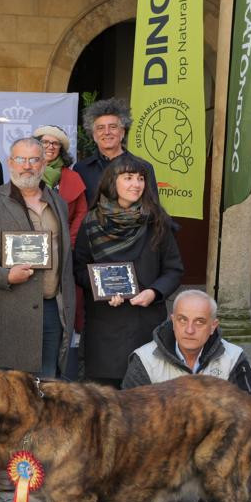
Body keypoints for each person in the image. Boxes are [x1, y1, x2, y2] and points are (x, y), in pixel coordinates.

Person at [122, 289, 251, 502]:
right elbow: (128, 422)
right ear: (172, 321)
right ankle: (165, 494)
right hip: (162, 451)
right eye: (183, 320)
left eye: (199, 322)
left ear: (213, 326)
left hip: (215, 448)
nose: (189, 329)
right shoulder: (145, 358)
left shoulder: (232, 357)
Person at [0, 137, 75, 379]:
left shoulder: (58, 203)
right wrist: (4, 275)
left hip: (51, 310)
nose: (27, 166)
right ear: (10, 163)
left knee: (45, 387)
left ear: (43, 163)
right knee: (5, 393)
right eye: (21, 159)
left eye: (34, 160)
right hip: (7, 312)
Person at [74, 152, 183, 387]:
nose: (136, 184)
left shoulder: (157, 221)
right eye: (129, 178)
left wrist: (154, 292)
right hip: (105, 326)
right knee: (106, 403)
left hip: (146, 322)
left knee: (145, 400)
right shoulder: (91, 222)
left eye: (141, 178)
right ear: (112, 181)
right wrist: (99, 288)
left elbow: (174, 269)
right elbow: (79, 268)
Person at [74, 97, 158, 206]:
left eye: (113, 127)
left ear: (122, 132)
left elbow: (153, 210)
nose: (107, 132)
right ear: (94, 135)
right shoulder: (81, 169)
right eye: (100, 128)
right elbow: (78, 211)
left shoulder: (144, 167)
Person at [33, 125, 87, 245]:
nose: (50, 147)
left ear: (61, 149)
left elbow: (81, 213)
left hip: (63, 242)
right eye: (45, 142)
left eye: (55, 143)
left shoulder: (73, 177)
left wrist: (70, 241)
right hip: (30, 241)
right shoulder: (26, 172)